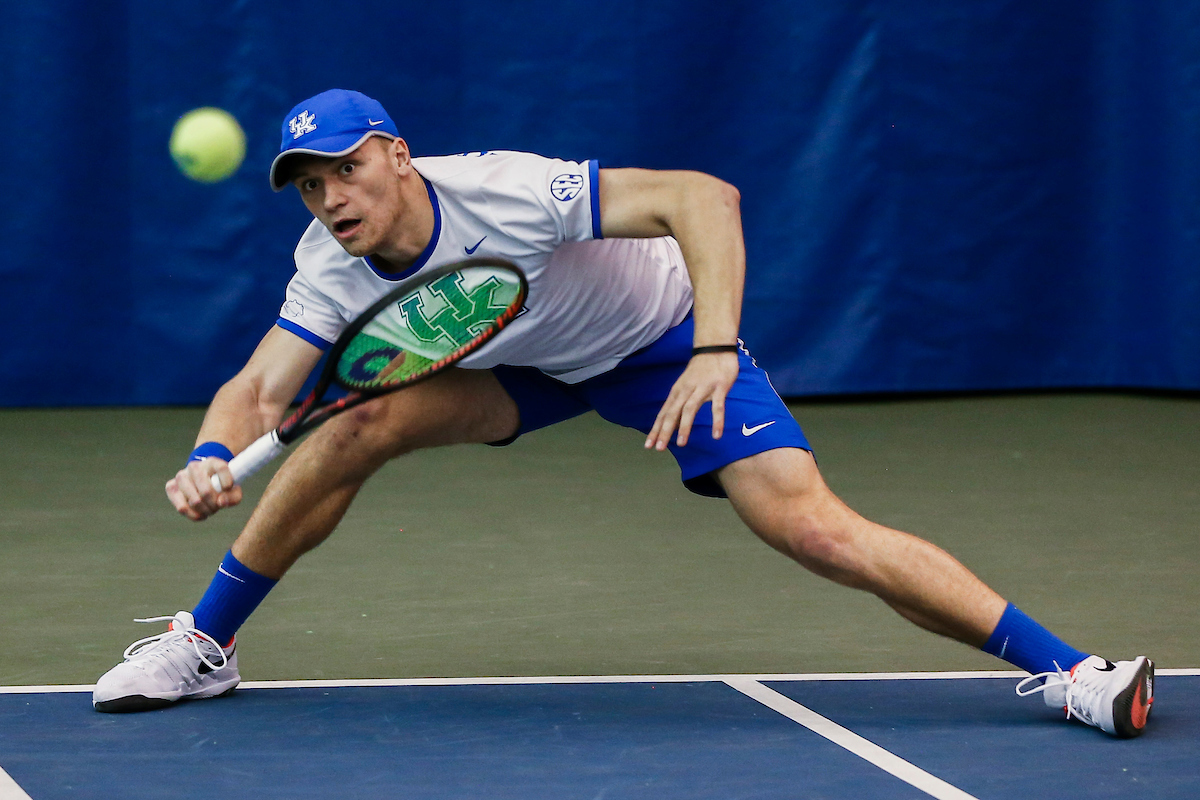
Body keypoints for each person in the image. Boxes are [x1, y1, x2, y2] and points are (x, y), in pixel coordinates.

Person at [93, 89, 1154, 738]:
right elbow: (263, 385)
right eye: (310, 185)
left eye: (348, 168)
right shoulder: (330, 259)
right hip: (526, 355)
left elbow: (706, 198)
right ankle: (206, 645)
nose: (332, 197)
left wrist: (713, 347)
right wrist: (213, 448)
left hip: (658, 335)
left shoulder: (504, 189)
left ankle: (1072, 672)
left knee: (810, 526)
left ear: (398, 154)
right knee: (354, 425)